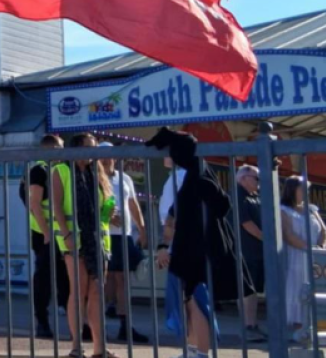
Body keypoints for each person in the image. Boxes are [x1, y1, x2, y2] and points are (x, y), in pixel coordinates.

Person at [147, 128, 249, 358]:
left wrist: (168, 246)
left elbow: (183, 216)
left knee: (194, 298)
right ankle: (194, 349)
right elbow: (173, 216)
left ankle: (200, 351)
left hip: (191, 247)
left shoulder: (186, 176)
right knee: (187, 298)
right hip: (186, 246)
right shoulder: (182, 175)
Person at [53, 133, 113, 358]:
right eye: (89, 147)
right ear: (76, 148)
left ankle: (99, 348)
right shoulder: (61, 170)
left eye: (94, 148)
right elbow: (57, 204)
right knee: (78, 291)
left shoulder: (96, 173)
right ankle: (76, 346)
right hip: (74, 240)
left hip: (97, 241)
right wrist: (67, 233)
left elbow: (104, 207)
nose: (92, 152)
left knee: (97, 292)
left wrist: (110, 213)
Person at [24, 133, 71, 339]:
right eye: (59, 147)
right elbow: (35, 203)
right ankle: (42, 322)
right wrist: (46, 234)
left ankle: (74, 326)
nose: (62, 151)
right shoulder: (39, 170)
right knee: (44, 278)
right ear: (50, 148)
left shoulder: (59, 170)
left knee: (66, 277)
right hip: (45, 235)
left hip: (59, 233)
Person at [103, 144, 148, 344]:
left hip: (124, 235)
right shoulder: (93, 178)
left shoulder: (124, 178)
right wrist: (106, 218)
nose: (105, 159)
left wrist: (142, 228)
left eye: (109, 156)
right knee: (105, 280)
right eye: (102, 156)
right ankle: (94, 323)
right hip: (103, 235)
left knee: (122, 278)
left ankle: (125, 325)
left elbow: (132, 203)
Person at [280, 177, 326, 343]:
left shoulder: (312, 209)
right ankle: (297, 328)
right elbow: (287, 235)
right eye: (303, 189)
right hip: (295, 256)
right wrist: (307, 247)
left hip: (315, 256)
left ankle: (312, 327)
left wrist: (321, 247)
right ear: (292, 190)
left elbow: (323, 231)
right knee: (296, 289)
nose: (306, 193)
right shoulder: (283, 210)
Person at [235, 164, 268, 343]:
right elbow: (246, 224)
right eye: (256, 178)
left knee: (254, 291)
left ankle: (253, 324)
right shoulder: (238, 196)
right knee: (247, 290)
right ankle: (247, 326)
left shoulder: (254, 197)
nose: (258, 183)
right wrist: (266, 239)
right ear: (243, 178)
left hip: (257, 252)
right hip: (245, 251)